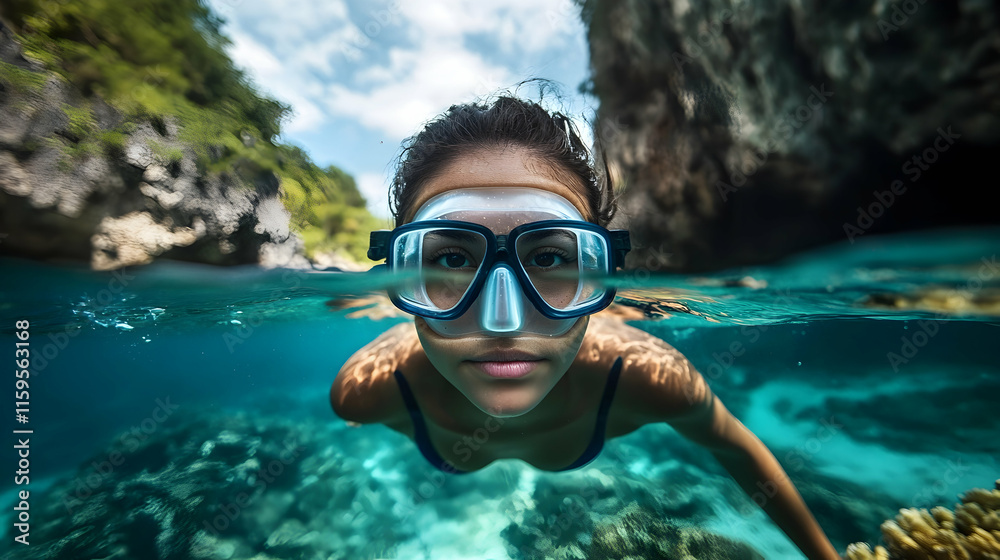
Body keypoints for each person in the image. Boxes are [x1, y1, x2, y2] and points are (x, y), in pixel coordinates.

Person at [330, 94, 842, 560]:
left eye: (550, 257)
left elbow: (736, 446)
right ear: (402, 274)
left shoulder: (650, 378)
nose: (502, 321)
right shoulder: (368, 390)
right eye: (453, 259)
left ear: (599, 271)